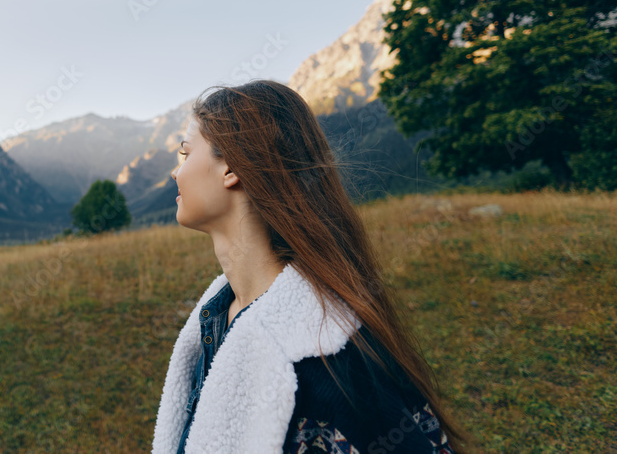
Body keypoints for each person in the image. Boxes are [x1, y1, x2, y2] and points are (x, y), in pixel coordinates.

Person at [151, 80, 470, 453]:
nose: (177, 172)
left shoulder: (327, 360)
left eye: (186, 154)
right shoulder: (215, 319)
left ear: (231, 169)